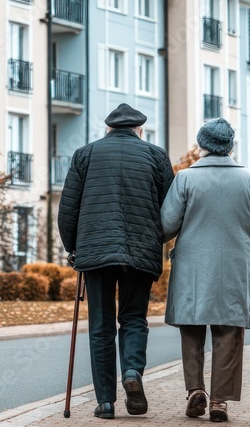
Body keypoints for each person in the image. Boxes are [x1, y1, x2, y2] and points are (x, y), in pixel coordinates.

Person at [58, 103, 175, 419]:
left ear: (108, 129)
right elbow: (170, 210)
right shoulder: (156, 155)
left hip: (95, 252)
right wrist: (155, 240)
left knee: (100, 325)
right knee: (134, 317)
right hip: (141, 251)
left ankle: (105, 402)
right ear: (139, 130)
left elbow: (67, 211)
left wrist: (74, 249)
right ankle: (133, 371)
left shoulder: (85, 155)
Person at [160, 118, 250, 423]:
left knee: (192, 327)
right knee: (228, 332)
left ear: (202, 145)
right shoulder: (248, 178)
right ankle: (220, 402)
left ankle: (195, 389)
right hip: (234, 267)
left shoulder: (185, 179)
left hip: (192, 269)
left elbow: (167, 226)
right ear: (230, 146)